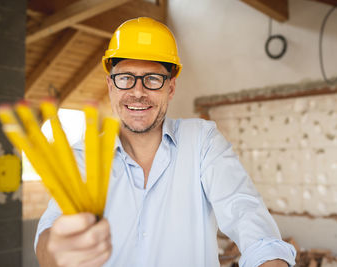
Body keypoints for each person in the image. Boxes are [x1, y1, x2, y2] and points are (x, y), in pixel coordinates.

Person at [35, 17, 296, 267]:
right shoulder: (83, 157)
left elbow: (245, 212)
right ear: (110, 86)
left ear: (170, 88)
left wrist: (269, 259)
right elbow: (50, 237)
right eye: (125, 78)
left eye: (152, 79)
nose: (138, 92)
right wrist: (57, 249)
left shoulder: (202, 143)